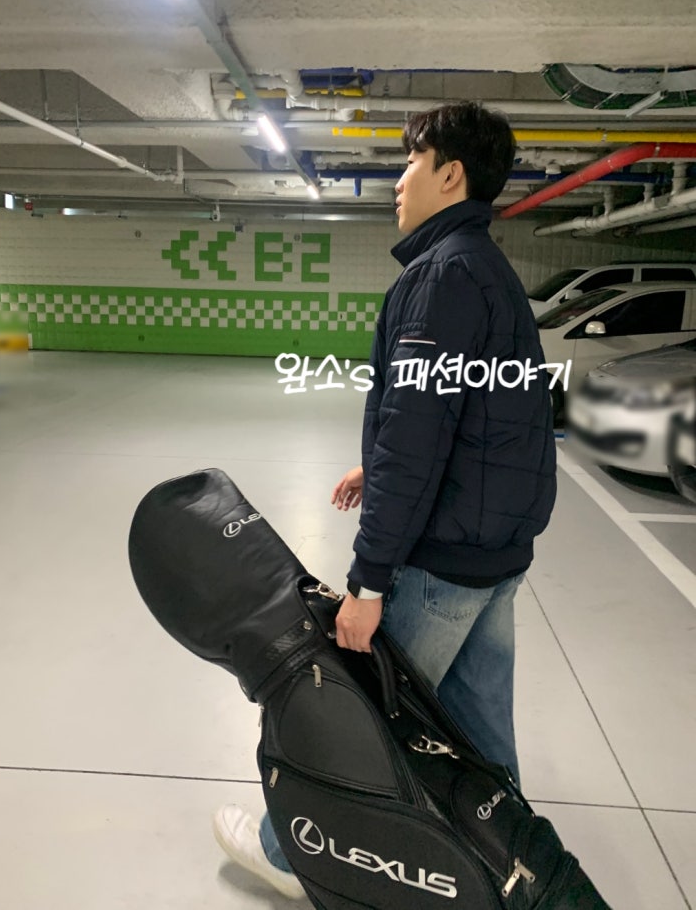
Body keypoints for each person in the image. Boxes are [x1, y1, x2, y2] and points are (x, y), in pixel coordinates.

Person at [213, 101, 557, 899]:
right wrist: (379, 467)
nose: (398, 179)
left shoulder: (439, 277)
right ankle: (511, 866)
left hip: (438, 565)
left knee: (359, 714)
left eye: (411, 162)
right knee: (479, 727)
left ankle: (286, 853)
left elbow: (419, 427)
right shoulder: (487, 268)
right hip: (493, 557)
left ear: (450, 174)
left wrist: (367, 581)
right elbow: (478, 416)